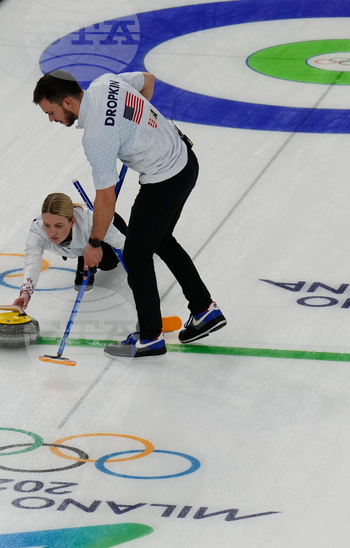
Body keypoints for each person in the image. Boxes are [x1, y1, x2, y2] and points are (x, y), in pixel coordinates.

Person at [33, 69, 225, 358]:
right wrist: (138, 130)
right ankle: (204, 310)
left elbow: (106, 199)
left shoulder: (96, 137)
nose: (51, 119)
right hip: (185, 159)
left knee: (136, 255)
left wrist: (95, 244)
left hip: (164, 181)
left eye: (51, 112)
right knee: (161, 240)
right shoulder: (105, 82)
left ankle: (150, 337)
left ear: (68, 103)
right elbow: (148, 80)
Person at [11, 192, 127, 310]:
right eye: (47, 225)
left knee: (108, 263)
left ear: (72, 222)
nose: (52, 233)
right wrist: (25, 292)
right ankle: (84, 257)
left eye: (58, 226)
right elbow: (32, 261)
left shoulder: (89, 221)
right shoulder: (38, 230)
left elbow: (125, 246)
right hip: (80, 246)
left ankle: (88, 256)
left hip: (108, 225)